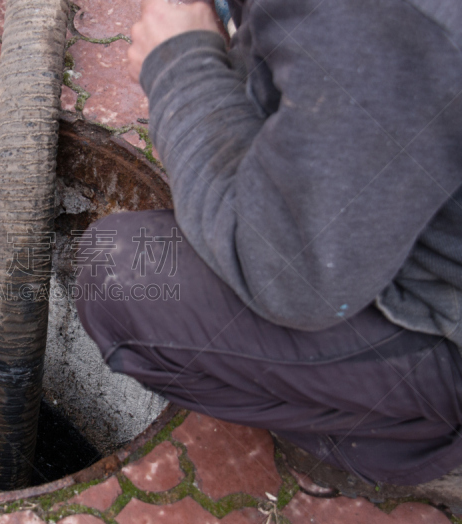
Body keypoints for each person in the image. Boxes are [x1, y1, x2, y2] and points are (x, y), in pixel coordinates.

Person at [75, 0, 462, 488]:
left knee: (121, 273)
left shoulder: (386, 21)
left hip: (435, 315)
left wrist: (181, 63)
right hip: (400, 201)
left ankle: (410, 438)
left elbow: (290, 277)